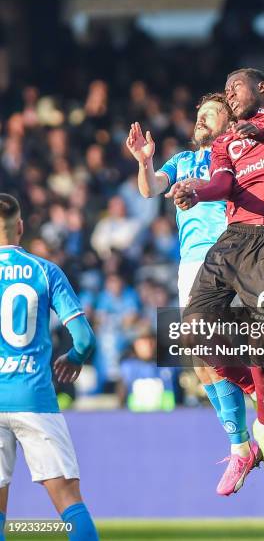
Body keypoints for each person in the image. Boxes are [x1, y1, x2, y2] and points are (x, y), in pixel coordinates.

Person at [174, 68, 264, 480]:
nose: (231, 95)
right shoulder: (226, 142)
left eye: (236, 87)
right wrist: (196, 190)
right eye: (228, 91)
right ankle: (256, 387)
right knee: (191, 331)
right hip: (235, 238)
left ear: (262, 87)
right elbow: (222, 184)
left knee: (258, 346)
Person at [126, 93, 263, 496]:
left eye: (210, 114)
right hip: (189, 265)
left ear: (226, 122)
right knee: (201, 360)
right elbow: (151, 190)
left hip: (227, 258)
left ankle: (249, 434)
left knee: (219, 349)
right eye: (199, 115)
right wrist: (145, 162)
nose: (201, 120)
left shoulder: (234, 156)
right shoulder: (181, 161)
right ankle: (244, 443)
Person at [0, 194, 98, 541]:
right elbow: (85, 340)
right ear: (21, 227)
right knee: (70, 502)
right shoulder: (45, 271)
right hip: (34, 398)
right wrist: (73, 359)